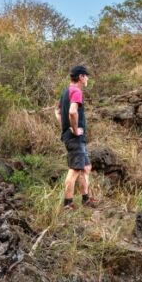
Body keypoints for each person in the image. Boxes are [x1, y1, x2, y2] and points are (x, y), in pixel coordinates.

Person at [55, 65, 96, 210]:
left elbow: (58, 111)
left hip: (71, 137)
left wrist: (65, 126)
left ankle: (86, 199)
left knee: (86, 167)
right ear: (81, 77)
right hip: (75, 138)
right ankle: (68, 204)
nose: (88, 78)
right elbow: (72, 112)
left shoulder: (66, 91)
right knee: (74, 170)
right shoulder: (76, 91)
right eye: (86, 75)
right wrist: (73, 128)